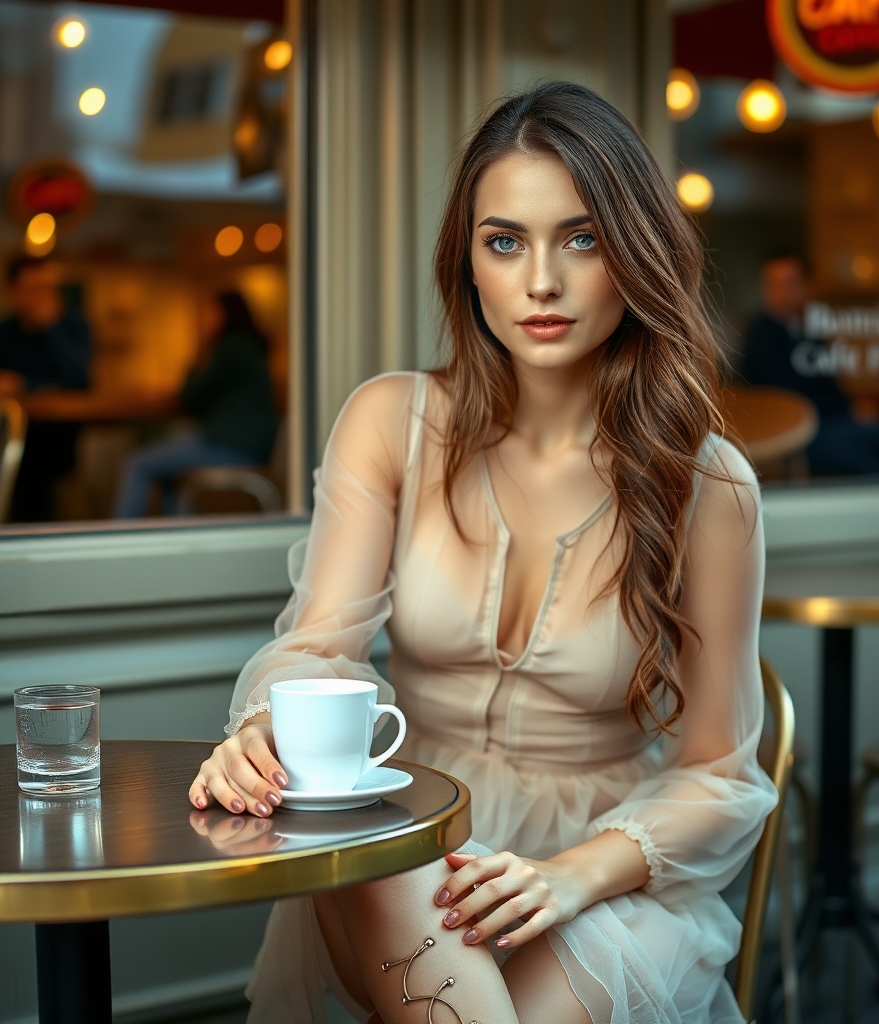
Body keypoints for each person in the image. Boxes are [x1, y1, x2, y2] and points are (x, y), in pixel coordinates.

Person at [189, 83, 776, 1024]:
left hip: (602, 872)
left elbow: (719, 772)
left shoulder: (709, 484)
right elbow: (317, 645)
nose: (541, 281)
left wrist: (573, 875)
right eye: (505, 241)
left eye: (581, 238)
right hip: (407, 849)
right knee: (380, 852)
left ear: (635, 255)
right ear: (466, 263)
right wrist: (266, 731)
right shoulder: (391, 421)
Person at [741, 251, 879, 476]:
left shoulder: (810, 330)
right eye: (773, 284)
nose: (780, 292)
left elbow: (828, 384)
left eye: (789, 283)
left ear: (807, 286)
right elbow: (789, 396)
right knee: (878, 469)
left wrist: (853, 406)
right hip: (799, 434)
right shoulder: (761, 335)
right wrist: (846, 409)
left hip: (832, 424)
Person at [114, 290, 278, 517]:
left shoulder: (232, 347)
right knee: (176, 443)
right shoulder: (249, 346)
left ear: (224, 315)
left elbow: (192, 394)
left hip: (234, 446)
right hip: (247, 443)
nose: (206, 319)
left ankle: (122, 540)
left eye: (211, 312)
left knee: (138, 463)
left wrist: (200, 350)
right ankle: (174, 534)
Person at [0, 255, 91, 521]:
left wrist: (51, 327)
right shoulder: (6, 331)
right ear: (13, 293)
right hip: (11, 433)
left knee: (38, 474)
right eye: (32, 290)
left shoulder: (72, 326)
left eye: (47, 289)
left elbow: (78, 379)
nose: (41, 297)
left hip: (57, 439)